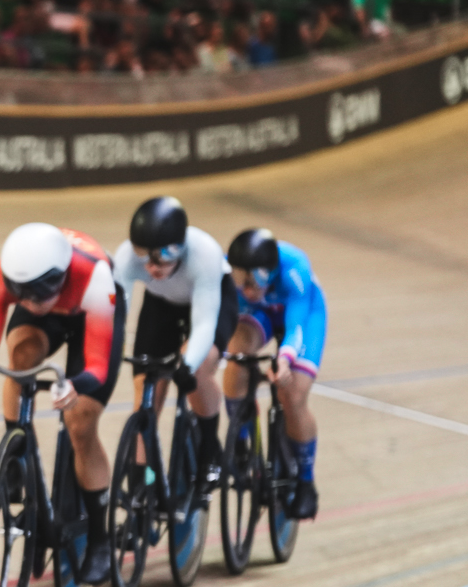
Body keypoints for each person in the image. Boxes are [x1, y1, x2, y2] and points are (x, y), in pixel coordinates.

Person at [0, 223, 124, 585]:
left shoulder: (95, 276)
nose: (28, 302)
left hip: (90, 313)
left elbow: (97, 366)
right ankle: (16, 453)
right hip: (53, 314)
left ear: (59, 277)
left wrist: (76, 386)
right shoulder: (5, 276)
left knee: (81, 420)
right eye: (21, 295)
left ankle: (100, 538)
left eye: (37, 293)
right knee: (22, 358)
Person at [111, 196, 236, 483]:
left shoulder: (204, 253)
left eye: (162, 257)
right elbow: (117, 313)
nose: (151, 268)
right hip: (161, 305)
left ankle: (208, 447)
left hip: (209, 301)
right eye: (144, 257)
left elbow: (204, 322)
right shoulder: (127, 258)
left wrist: (188, 363)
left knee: (200, 366)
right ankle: (143, 480)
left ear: (179, 248)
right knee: (145, 389)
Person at [225, 228, 326, 519]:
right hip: (261, 313)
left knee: (292, 394)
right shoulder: (230, 267)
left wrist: (284, 360)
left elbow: (295, 328)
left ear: (269, 272)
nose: (244, 289)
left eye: (252, 281)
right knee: (238, 356)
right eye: (239, 281)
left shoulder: (294, 269)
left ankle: (306, 480)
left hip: (303, 314)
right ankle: (242, 445)